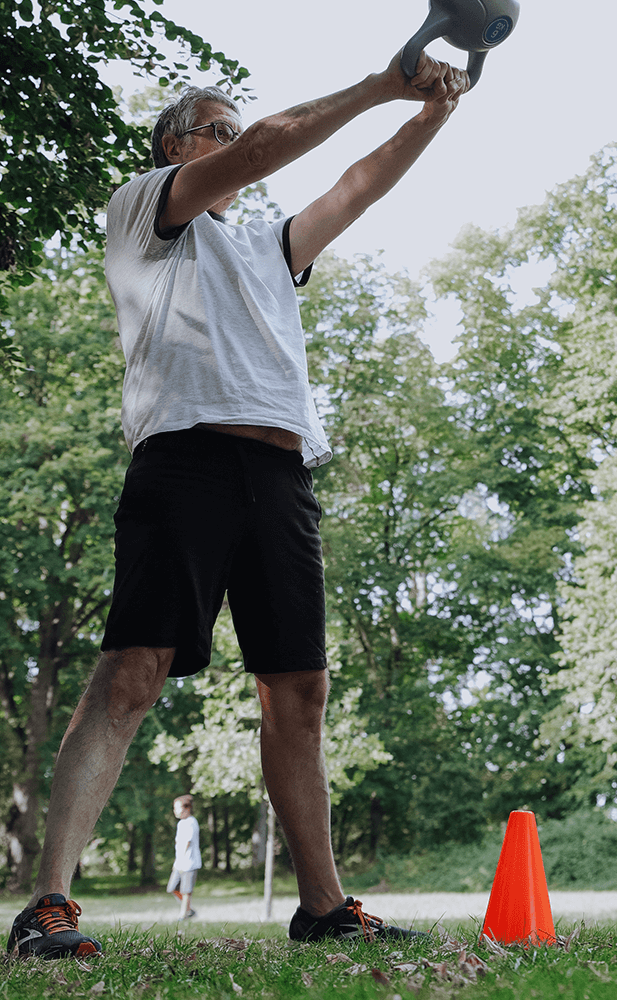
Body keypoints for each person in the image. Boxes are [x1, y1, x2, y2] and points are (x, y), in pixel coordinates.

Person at [7, 49, 469, 960]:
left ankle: (325, 908)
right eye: (213, 129)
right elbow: (264, 146)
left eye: (226, 127)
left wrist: (433, 115)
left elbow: (356, 186)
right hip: (185, 459)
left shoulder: (267, 245)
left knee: (298, 691)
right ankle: (48, 902)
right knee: (132, 673)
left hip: (281, 479)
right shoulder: (147, 208)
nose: (232, 140)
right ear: (176, 144)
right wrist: (382, 84)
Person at [167, 795, 201, 921]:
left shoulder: (191, 822)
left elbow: (186, 843)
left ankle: (183, 914)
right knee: (172, 888)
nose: (175, 811)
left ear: (187, 808)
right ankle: (189, 909)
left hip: (189, 862)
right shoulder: (181, 823)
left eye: (177, 808)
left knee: (186, 890)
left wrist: (180, 861)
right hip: (180, 862)